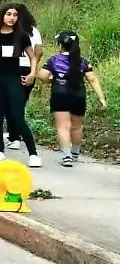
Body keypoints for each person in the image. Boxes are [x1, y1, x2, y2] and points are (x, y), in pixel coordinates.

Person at [38, 31, 107, 166]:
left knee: (63, 127)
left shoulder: (54, 60)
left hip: (59, 94)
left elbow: (42, 75)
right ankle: (75, 153)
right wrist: (101, 98)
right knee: (76, 126)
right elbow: (92, 79)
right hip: (78, 95)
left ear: (60, 45)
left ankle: (66, 156)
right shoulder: (82, 61)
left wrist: (50, 79)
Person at [0, 4, 40, 167]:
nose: (11, 17)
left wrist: (32, 73)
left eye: (15, 15)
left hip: (14, 78)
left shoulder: (21, 36)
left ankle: (33, 153)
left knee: (17, 115)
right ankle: (0, 151)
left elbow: (33, 57)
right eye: (8, 14)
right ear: (2, 15)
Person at [10, 3, 42, 149]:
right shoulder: (33, 31)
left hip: (14, 67)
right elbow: (39, 51)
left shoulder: (12, 31)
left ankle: (14, 136)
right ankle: (19, 133)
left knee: (10, 103)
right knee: (21, 102)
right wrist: (33, 68)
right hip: (28, 68)